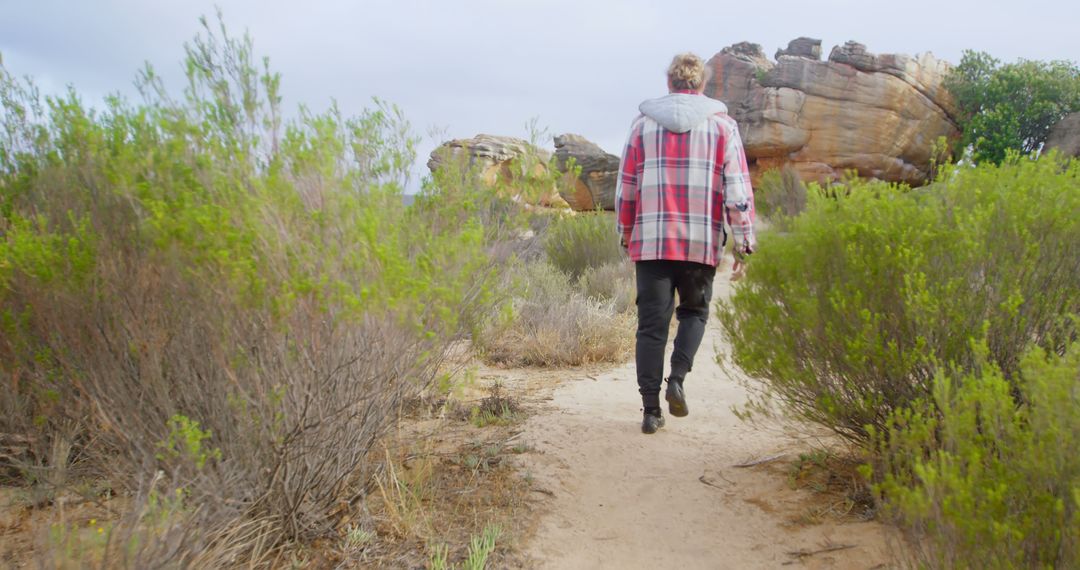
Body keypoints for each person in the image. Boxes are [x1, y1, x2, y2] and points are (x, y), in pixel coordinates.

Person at [615, 52, 756, 434]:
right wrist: (743, 243)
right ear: (702, 85)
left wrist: (626, 232)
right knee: (694, 314)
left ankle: (650, 411)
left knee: (651, 327)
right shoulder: (722, 128)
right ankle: (676, 378)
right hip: (700, 243)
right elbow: (737, 191)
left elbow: (626, 187)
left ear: (669, 84)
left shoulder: (642, 126)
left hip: (652, 242)